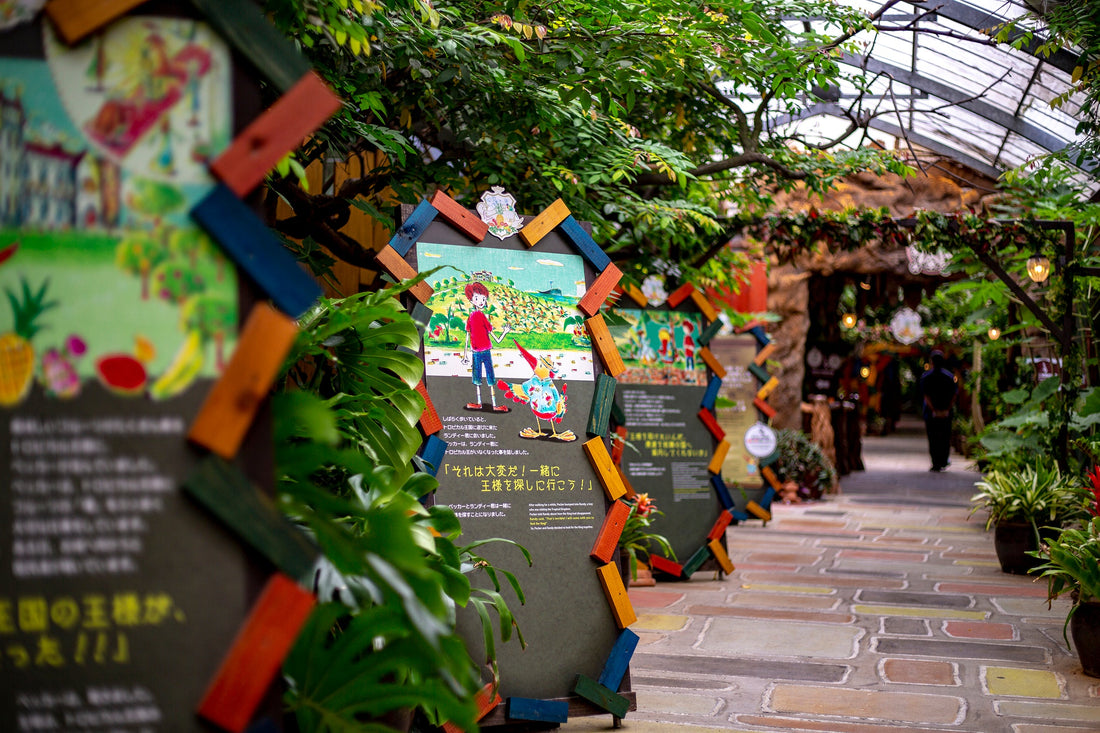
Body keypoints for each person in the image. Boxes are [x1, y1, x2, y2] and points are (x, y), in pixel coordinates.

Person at [461, 282, 510, 411]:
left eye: (483, 298)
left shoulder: (482, 317)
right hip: (476, 352)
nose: (481, 301)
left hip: (485, 351)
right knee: (477, 377)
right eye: (477, 298)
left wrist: (504, 332)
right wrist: (465, 354)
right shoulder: (472, 317)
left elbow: (495, 337)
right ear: (471, 299)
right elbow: (467, 336)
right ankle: (480, 402)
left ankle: (494, 404)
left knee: (489, 376)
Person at [919, 350, 957, 472]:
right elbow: (954, 395)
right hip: (945, 412)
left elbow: (926, 396)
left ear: (931, 362)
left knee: (933, 438)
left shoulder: (926, 377)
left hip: (932, 414)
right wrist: (947, 409)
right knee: (945, 437)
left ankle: (936, 462)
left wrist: (934, 410)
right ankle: (943, 460)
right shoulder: (949, 377)